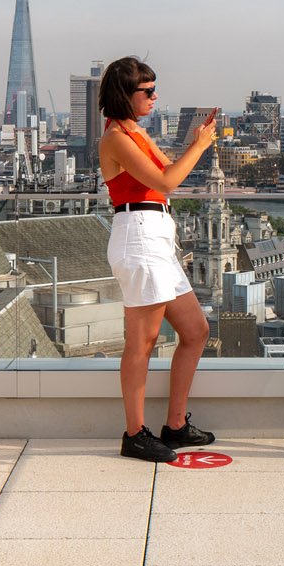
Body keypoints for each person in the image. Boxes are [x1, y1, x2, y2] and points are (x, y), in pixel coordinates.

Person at [94, 56, 221, 463]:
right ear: (125, 96)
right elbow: (167, 181)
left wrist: (193, 144)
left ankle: (176, 425)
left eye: (154, 88)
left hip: (156, 238)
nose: (155, 96)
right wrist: (200, 145)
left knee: (196, 330)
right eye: (147, 91)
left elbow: (167, 172)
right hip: (138, 237)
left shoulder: (135, 133)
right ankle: (134, 433)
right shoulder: (116, 137)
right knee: (142, 341)